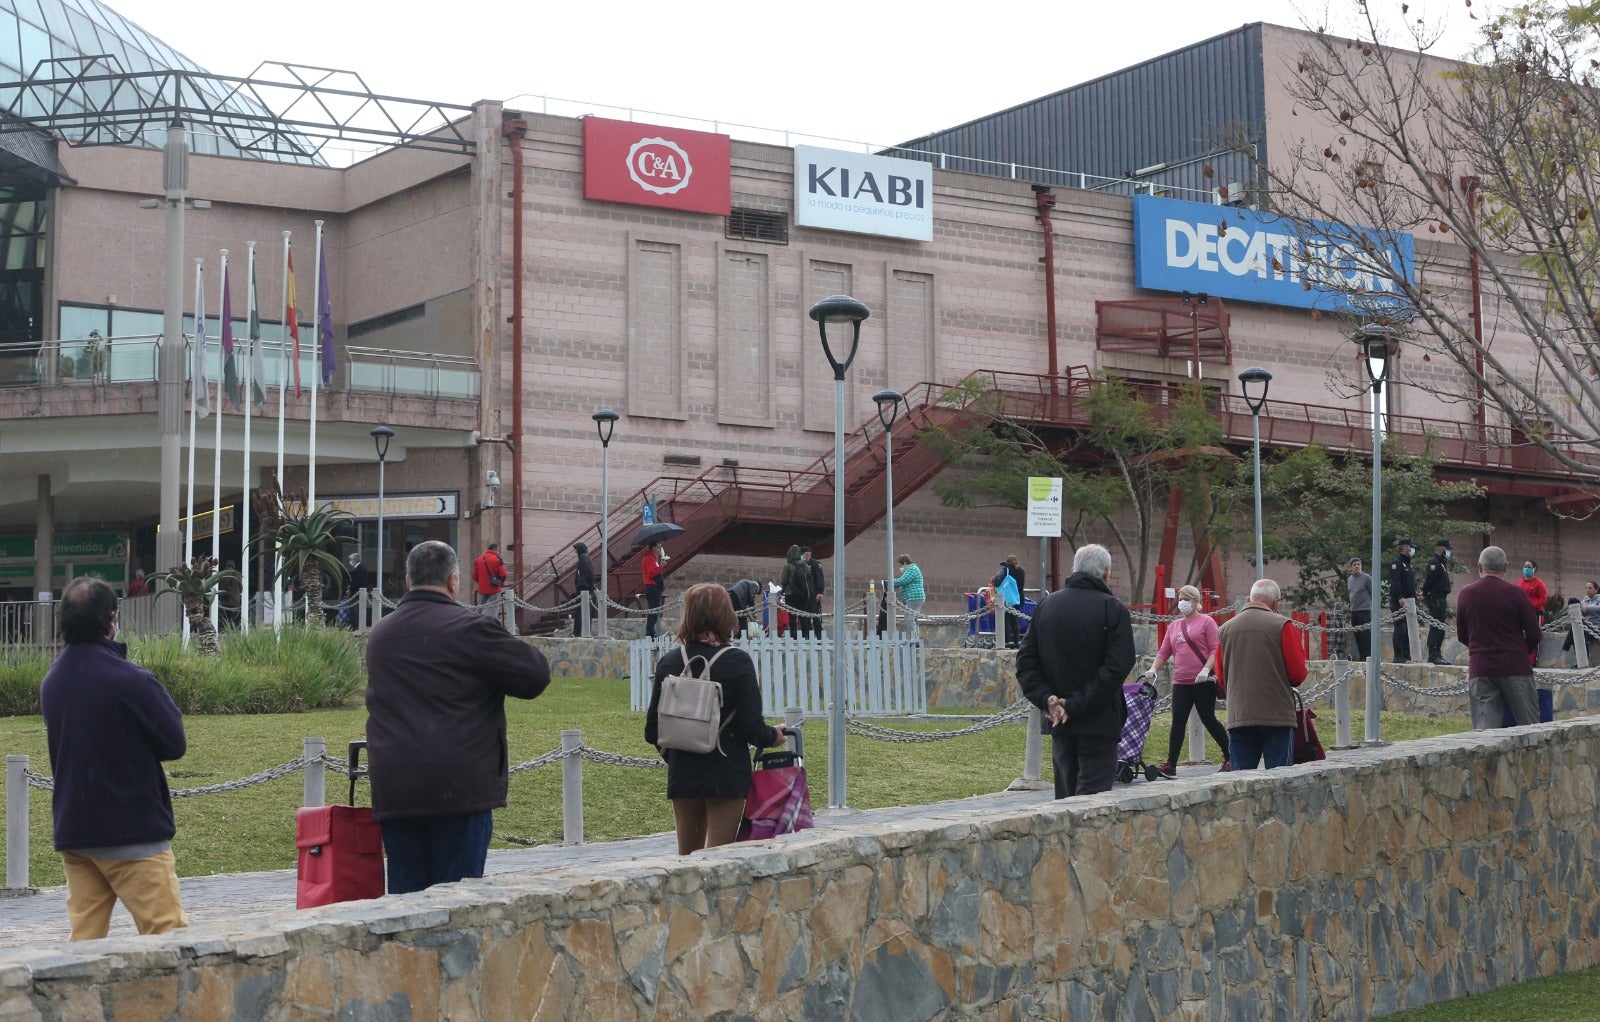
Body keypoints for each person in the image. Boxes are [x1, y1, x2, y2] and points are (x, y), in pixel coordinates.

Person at [364, 541, 551, 894]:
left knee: (405, 901)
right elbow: (534, 675)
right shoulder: (470, 628)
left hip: (396, 787)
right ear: (453, 582)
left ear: (407, 579)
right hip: (459, 787)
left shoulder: (381, 635)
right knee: (457, 903)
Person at [40, 577, 189, 940]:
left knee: (84, 943)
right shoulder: (132, 680)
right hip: (133, 832)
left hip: (76, 834)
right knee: (168, 940)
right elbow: (175, 743)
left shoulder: (52, 681)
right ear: (111, 620)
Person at [645, 583, 788, 854]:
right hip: (726, 770)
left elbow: (653, 731)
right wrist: (774, 736)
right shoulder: (737, 662)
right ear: (727, 617)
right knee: (719, 860)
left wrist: (681, 750)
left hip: (683, 771)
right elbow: (750, 727)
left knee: (686, 861)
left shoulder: (670, 663)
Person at [1016, 543, 1135, 798]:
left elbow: (1026, 662)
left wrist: (1049, 700)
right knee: (1093, 803)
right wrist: (1075, 704)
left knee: (1066, 799)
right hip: (1098, 721)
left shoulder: (1047, 606)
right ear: (1105, 573)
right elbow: (1118, 666)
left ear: (1074, 569)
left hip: (1059, 721)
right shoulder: (1112, 609)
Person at [1216, 577, 1308, 770]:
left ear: (1251, 597)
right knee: (1279, 782)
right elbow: (1297, 673)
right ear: (1276, 602)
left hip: (1239, 714)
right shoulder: (1282, 625)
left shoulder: (1225, 629)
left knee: (1241, 782)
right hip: (1277, 715)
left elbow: (1222, 676)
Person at [1144, 584, 1228, 776]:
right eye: (1180, 599)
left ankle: (1229, 756)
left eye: (1186, 599)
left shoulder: (1206, 622)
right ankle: (1171, 764)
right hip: (1181, 681)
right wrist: (1153, 669)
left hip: (1202, 681)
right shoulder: (1174, 626)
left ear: (1195, 601)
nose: (1182, 602)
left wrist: (1206, 670)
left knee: (1208, 718)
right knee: (1178, 721)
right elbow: (1164, 651)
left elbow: (1216, 649)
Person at [1456, 546, 1542, 729]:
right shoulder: (1516, 593)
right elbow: (1534, 633)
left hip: (1482, 668)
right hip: (1516, 666)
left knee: (1485, 733)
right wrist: (1520, 650)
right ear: (1505, 567)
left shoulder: (1466, 593)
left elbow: (1462, 634)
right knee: (1530, 729)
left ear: (1479, 567)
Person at [1421, 539, 1454, 665]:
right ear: (1441, 549)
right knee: (1436, 626)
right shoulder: (1434, 562)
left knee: (1440, 627)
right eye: (1447, 549)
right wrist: (1424, 592)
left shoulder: (1441, 562)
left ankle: (1438, 653)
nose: (1449, 552)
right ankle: (1433, 654)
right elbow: (1430, 580)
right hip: (1436, 599)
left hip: (1441, 598)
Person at [1388, 538, 1418, 663]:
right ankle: (1398, 655)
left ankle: (1406, 655)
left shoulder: (1408, 564)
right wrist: (1400, 596)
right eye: (1410, 547)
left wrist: (1416, 594)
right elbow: (1396, 582)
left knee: (1407, 629)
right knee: (1400, 627)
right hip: (1399, 601)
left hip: (1409, 601)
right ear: (1404, 547)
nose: (1412, 550)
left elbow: (1409, 583)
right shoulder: (1397, 563)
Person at [992, 555, 1026, 648]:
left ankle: (1008, 640)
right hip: (1017, 598)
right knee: (1015, 620)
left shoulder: (1006, 571)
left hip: (1006, 599)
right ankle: (1016, 640)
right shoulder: (1021, 571)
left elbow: (996, 581)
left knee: (1006, 619)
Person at [779, 545, 813, 638]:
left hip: (791, 594)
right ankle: (806, 637)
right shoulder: (804, 565)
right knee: (803, 616)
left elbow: (784, 581)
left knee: (792, 617)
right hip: (803, 595)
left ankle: (793, 637)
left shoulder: (788, 566)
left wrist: (782, 590)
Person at [891, 553, 926, 641]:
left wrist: (889, 582)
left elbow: (903, 581)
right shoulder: (910, 570)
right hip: (914, 598)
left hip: (914, 598)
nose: (900, 568)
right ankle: (915, 638)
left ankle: (914, 639)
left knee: (909, 619)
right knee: (913, 619)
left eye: (900, 565)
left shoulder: (912, 569)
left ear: (905, 563)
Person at [1346, 556, 1373, 662]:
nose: (1357, 566)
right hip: (1354, 611)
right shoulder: (1349, 579)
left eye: (1358, 564)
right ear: (1351, 567)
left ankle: (1368, 656)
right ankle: (1361, 656)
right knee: (1357, 635)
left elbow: (1373, 592)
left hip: (1364, 610)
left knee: (1365, 634)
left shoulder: (1367, 578)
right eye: (1354, 565)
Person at [471, 542, 507, 606]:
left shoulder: (478, 559)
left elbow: (474, 575)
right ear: (494, 549)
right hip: (494, 588)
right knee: (494, 609)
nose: (498, 552)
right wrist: (501, 584)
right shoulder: (497, 560)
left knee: (479, 608)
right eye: (498, 550)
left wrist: (482, 582)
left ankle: (476, 616)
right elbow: (503, 574)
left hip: (482, 588)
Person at [340, 551, 369, 630]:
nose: (350, 562)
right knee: (354, 610)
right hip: (357, 592)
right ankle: (355, 625)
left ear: (355, 560)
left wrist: (350, 588)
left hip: (357, 592)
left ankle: (356, 626)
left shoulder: (360, 568)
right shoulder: (360, 568)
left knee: (355, 610)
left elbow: (357, 581)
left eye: (351, 560)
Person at [642, 541, 665, 638]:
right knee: (653, 611)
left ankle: (652, 632)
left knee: (655, 611)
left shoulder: (653, 559)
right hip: (652, 587)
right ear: (654, 548)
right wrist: (661, 567)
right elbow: (652, 573)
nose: (660, 549)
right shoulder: (649, 559)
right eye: (659, 547)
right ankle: (650, 633)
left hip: (655, 588)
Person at [572, 541, 596, 637]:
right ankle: (580, 631)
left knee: (580, 611)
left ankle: (579, 632)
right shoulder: (584, 557)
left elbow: (588, 572)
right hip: (584, 587)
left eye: (576, 550)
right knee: (580, 610)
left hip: (583, 587)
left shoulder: (583, 557)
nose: (575, 552)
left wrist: (591, 586)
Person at [804, 546, 826, 640]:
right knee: (806, 617)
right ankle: (808, 637)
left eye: (808, 554)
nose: (807, 556)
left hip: (814, 595)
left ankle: (819, 636)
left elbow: (820, 578)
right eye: (805, 555)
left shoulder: (816, 564)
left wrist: (820, 592)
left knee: (816, 617)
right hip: (805, 596)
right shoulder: (802, 565)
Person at [219, 560, 242, 629]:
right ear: (234, 566)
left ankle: (226, 629)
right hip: (235, 600)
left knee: (225, 618)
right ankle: (233, 629)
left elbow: (219, 585)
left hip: (224, 600)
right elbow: (241, 587)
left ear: (226, 566)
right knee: (233, 617)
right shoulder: (238, 574)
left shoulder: (222, 574)